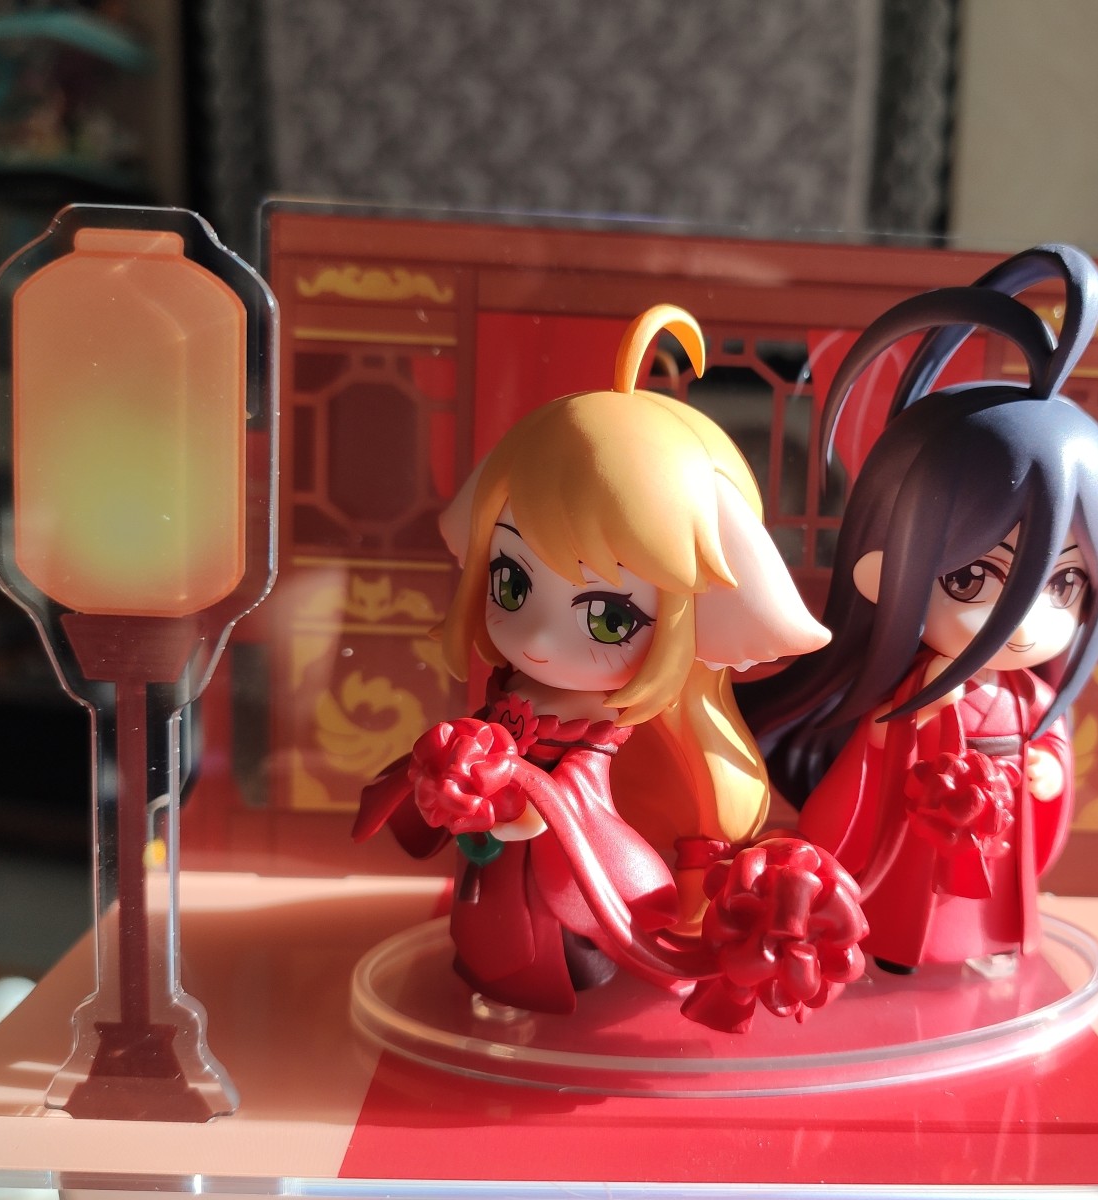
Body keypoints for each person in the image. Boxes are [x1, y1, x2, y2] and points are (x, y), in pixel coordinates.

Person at [355, 303, 831, 1014]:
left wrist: (530, 805)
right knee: (487, 922)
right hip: (496, 843)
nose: (539, 639)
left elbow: (587, 787)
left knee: (556, 936)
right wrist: (453, 775)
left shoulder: (601, 726)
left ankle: (571, 961)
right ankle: (500, 971)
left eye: (609, 618)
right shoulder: (514, 687)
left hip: (564, 846)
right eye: (511, 584)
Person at [739, 246, 1098, 974]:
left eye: (1063, 585)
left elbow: (1048, 749)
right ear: (885, 567)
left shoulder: (1026, 697)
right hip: (919, 839)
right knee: (915, 905)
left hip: (1000, 831)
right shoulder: (914, 695)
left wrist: (1046, 770)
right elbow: (864, 780)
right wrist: (889, 742)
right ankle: (902, 946)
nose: (1024, 620)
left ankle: (989, 942)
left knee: (990, 908)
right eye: (972, 577)